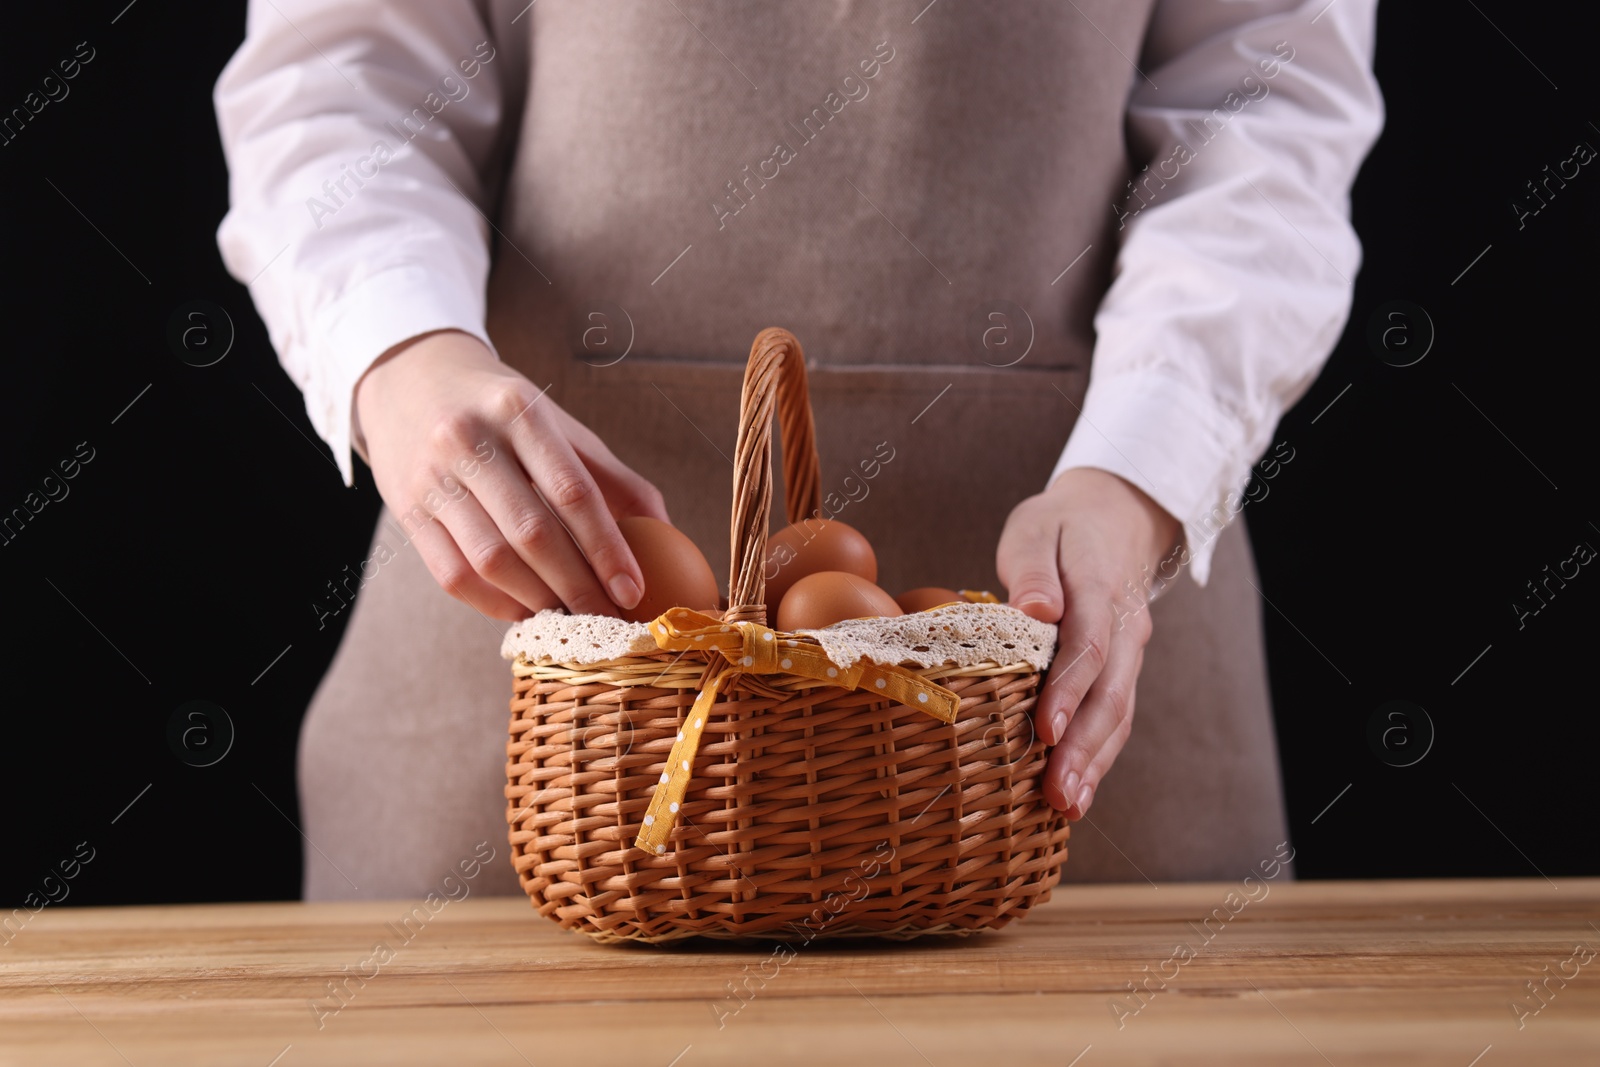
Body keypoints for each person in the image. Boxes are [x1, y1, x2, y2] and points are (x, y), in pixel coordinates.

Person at [216, 0, 1382, 899]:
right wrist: (407, 357)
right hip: (542, 630)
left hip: (1077, 649)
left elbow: (1264, 102)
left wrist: (1140, 469)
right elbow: (342, 87)